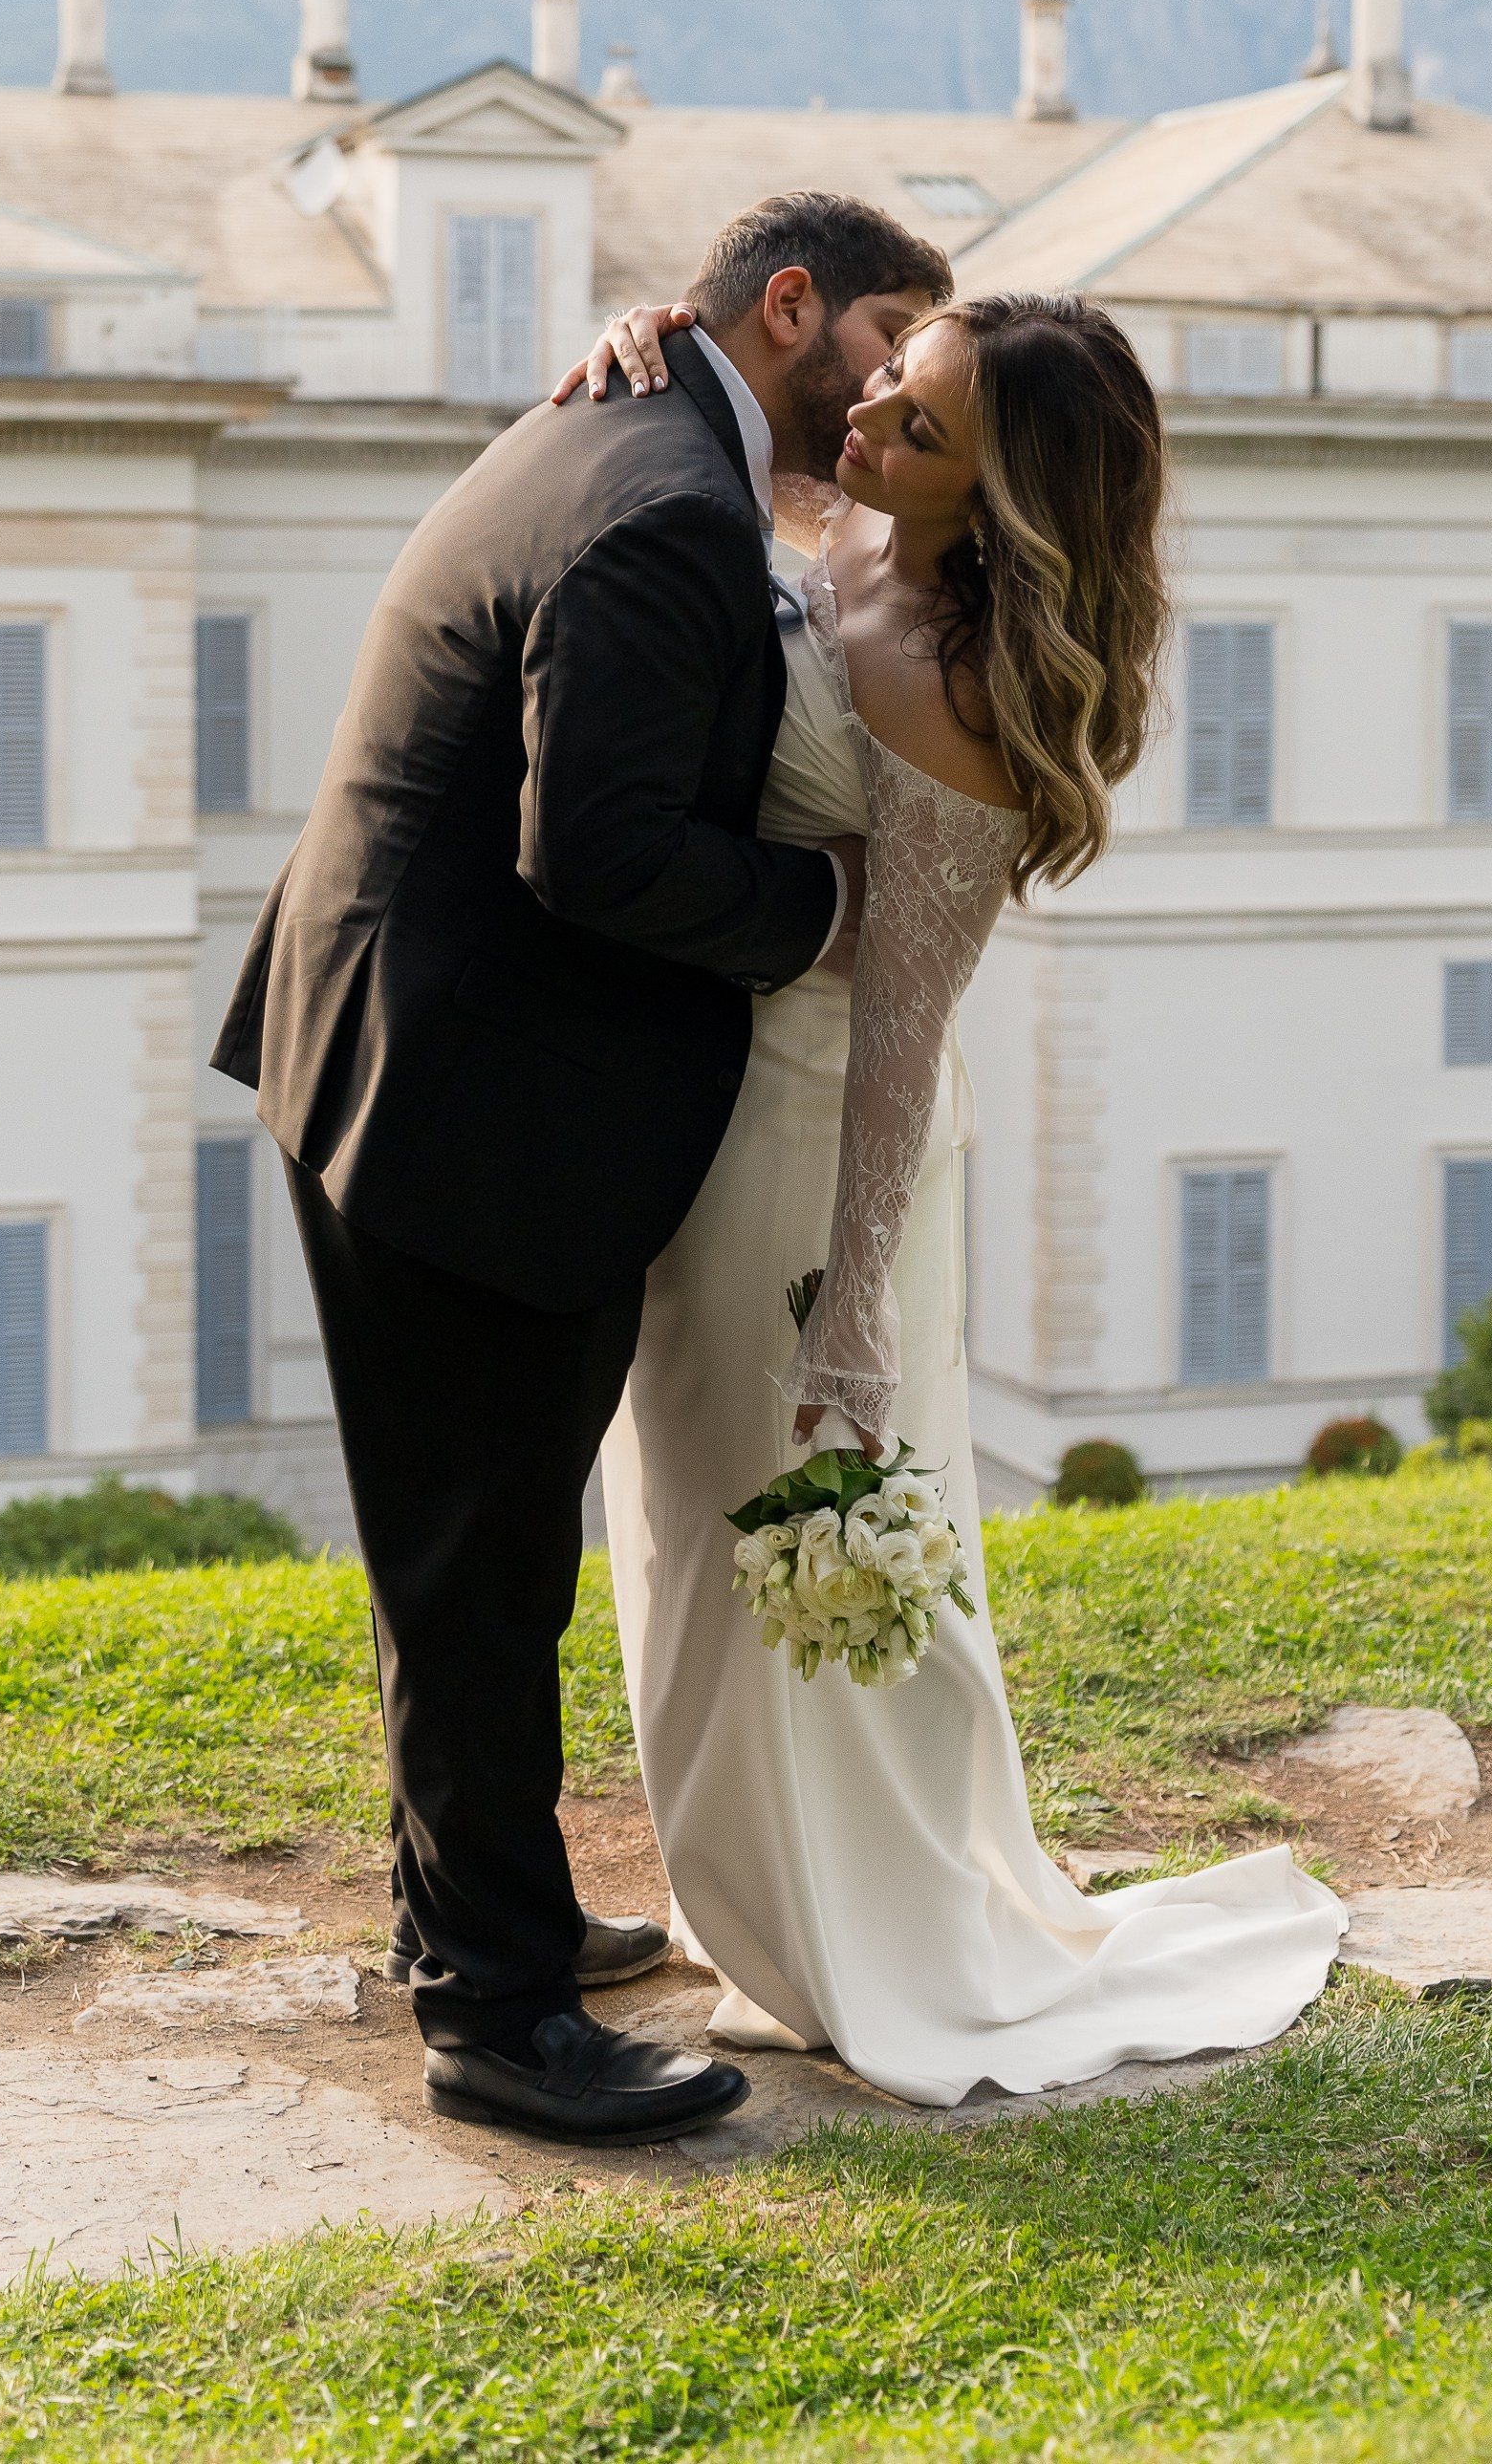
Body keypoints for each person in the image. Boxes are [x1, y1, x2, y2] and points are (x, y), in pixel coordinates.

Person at [212, 191, 954, 2142]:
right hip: (464, 1093)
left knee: (465, 1546)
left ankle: (479, 1914)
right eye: (885, 340)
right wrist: (835, 905)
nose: (896, 388)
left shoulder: (628, 431)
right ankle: (495, 2017)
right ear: (784, 308)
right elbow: (596, 856)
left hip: (410, 1046)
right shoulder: (667, 505)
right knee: (478, 1564)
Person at [557, 284, 1345, 2106]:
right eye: (890, 386)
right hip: (706, 1100)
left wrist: (856, 1296)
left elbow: (905, 1022)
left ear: (999, 506)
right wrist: (640, 342)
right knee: (682, 1531)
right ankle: (749, 1890)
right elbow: (735, 461)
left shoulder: (961, 682)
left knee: (789, 1534)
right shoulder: (838, 521)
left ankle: (862, 1930)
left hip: (824, 1144)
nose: (870, 427)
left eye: (918, 432)